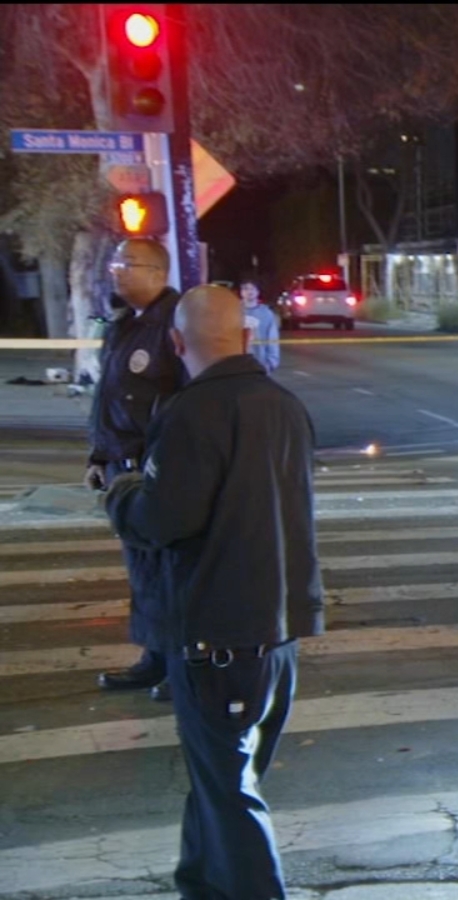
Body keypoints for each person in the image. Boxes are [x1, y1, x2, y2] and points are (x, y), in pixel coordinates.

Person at [105, 283, 325, 900]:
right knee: (221, 782)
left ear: (176, 343)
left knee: (228, 793)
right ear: (247, 335)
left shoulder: (189, 413)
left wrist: (120, 493)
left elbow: (161, 521)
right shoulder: (285, 405)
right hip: (279, 632)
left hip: (216, 632)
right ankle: (199, 884)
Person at [88, 238, 186, 703]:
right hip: (121, 468)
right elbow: (107, 397)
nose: (116, 271)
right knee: (141, 571)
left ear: (156, 272)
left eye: (126, 264)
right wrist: (99, 456)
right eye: (115, 263)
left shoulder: (175, 323)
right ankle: (155, 657)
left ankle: (179, 663)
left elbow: (186, 404)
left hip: (156, 469)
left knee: (167, 570)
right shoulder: (124, 324)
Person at [240, 280, 281, 374]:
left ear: (258, 292)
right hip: (237, 362)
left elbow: (272, 338)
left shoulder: (266, 313)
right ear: (241, 292)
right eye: (246, 289)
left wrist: (271, 362)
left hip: (260, 363)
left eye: (252, 288)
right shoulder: (232, 311)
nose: (249, 292)